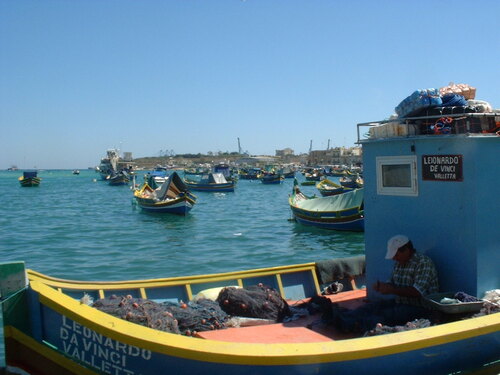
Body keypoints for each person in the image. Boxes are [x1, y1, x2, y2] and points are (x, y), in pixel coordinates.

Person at [332, 234, 439, 333]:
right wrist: (382, 287)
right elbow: (392, 283)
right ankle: (343, 318)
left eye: (396, 255)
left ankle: (354, 325)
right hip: (401, 302)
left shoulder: (423, 263)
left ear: (406, 250)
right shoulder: (399, 263)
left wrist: (391, 289)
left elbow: (417, 292)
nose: (394, 258)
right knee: (373, 307)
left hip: (422, 308)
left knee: (385, 315)